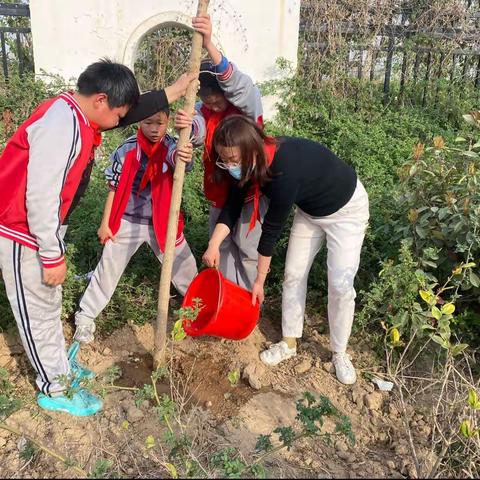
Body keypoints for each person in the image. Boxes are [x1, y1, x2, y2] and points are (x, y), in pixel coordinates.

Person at [0, 59, 194, 416]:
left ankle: (62, 369)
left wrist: (175, 91)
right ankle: (55, 388)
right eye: (120, 112)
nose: (124, 120)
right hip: (22, 231)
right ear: (101, 100)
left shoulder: (77, 114)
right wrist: (51, 254)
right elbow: (40, 194)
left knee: (48, 307)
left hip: (40, 230)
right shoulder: (62, 125)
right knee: (37, 314)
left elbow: (134, 112)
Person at [203, 115, 370, 385]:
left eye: (234, 160)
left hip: (346, 211)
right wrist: (213, 244)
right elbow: (232, 206)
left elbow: (271, 231)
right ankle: (289, 342)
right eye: (224, 160)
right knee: (293, 274)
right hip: (310, 211)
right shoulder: (251, 164)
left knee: (340, 283)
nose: (230, 166)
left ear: (251, 150)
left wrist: (259, 281)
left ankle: (340, 352)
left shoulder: (284, 172)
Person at [73, 106, 197, 344]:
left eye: (159, 124)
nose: (154, 129)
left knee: (184, 265)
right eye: (148, 122)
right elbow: (113, 188)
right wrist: (106, 224)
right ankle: (85, 317)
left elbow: (178, 160)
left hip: (163, 221)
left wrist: (185, 154)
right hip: (127, 219)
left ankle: (198, 310)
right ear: (139, 121)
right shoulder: (127, 149)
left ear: (168, 122)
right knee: (108, 268)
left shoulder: (172, 145)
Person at [175, 13, 266, 290]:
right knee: (222, 249)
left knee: (248, 251)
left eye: (217, 101)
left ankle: (249, 300)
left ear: (227, 93)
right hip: (220, 195)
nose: (213, 106)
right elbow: (199, 128)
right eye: (207, 102)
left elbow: (239, 85)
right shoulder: (205, 112)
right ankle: (229, 299)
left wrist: (210, 46)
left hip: (249, 194)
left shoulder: (246, 108)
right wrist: (186, 127)